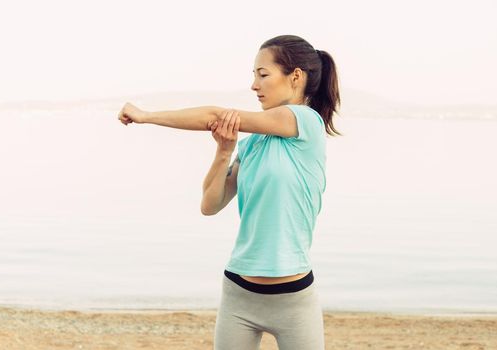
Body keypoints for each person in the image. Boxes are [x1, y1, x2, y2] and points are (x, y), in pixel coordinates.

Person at [117, 34, 341, 350]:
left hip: (293, 299)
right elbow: (210, 204)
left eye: (263, 74)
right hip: (239, 294)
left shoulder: (305, 122)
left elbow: (215, 117)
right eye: (254, 76)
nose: (254, 85)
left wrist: (146, 116)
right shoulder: (251, 144)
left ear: (295, 77)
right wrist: (224, 151)